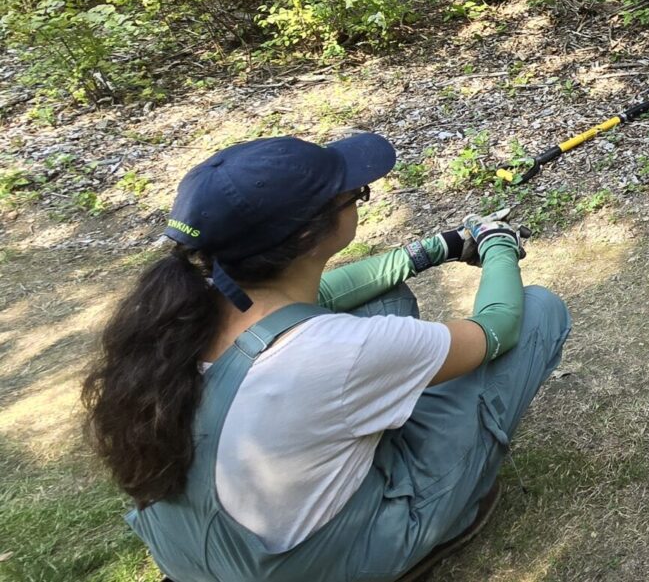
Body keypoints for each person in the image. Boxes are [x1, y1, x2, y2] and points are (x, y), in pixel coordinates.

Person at [82, 133, 571, 582]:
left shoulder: (181, 309)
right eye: (353, 196)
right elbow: (498, 328)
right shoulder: (341, 350)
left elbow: (328, 294)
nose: (357, 197)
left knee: (386, 299)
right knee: (539, 312)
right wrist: (498, 243)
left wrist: (433, 250)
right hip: (304, 567)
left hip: (203, 559)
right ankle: (432, 528)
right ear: (304, 238)